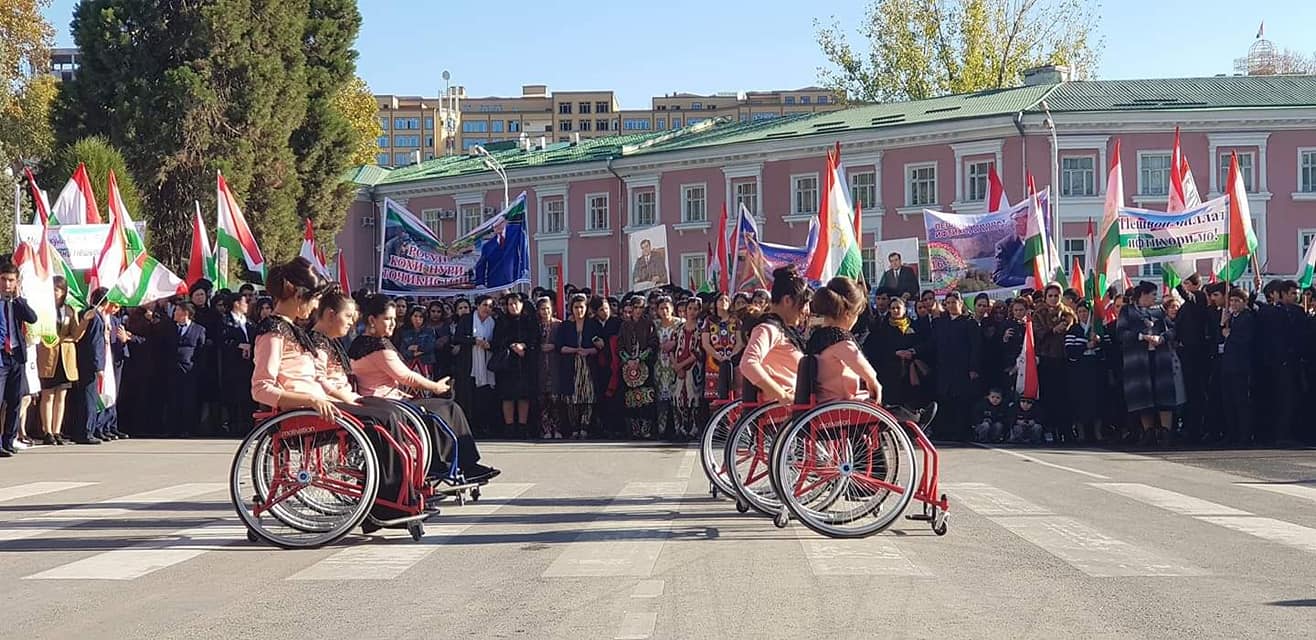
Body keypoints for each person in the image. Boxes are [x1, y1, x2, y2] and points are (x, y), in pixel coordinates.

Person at [343, 293, 499, 483]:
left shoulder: (362, 343)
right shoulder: (377, 347)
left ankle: (460, 464)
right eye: (387, 319)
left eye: (394, 319)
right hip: (387, 404)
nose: (393, 323)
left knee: (446, 409)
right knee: (448, 408)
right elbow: (406, 376)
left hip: (386, 399)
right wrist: (436, 387)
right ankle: (457, 465)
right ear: (371, 320)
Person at [1117, 281, 1183, 447]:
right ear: (1143, 295)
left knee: (1163, 394)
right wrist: (1141, 337)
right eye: (1153, 294)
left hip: (1159, 359)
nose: (1155, 297)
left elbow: (1173, 329)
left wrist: (1162, 338)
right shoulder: (1127, 311)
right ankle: (1149, 432)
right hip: (1138, 360)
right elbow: (1121, 332)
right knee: (1143, 396)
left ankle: (1166, 433)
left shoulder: (1160, 311)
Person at [740, 267, 811, 404]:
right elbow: (748, 363)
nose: (806, 311)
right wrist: (782, 395)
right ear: (787, 300)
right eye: (804, 304)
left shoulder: (782, 328)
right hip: (784, 409)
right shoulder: (768, 328)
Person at [808, 277, 882, 403]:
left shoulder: (816, 337)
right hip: (842, 403)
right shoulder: (841, 341)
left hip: (824, 401)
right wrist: (875, 386)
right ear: (848, 314)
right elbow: (868, 373)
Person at [0, 262, 38, 457]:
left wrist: (19, 299)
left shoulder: (16, 303)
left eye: (11, 281)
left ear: (16, 282)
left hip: (16, 357)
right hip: (0, 357)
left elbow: (32, 318)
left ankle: (9, 440)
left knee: (15, 401)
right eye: (4, 280)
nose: (7, 284)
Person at [36, 276, 80, 446]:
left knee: (61, 395)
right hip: (48, 354)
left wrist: (82, 320)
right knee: (48, 395)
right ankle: (47, 431)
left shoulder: (69, 310)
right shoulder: (44, 309)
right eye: (52, 289)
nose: (55, 293)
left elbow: (75, 334)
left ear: (63, 292)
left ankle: (57, 430)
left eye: (58, 289)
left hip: (65, 355)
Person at [492, 293, 539, 439]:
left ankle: (523, 427)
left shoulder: (529, 320)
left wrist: (524, 346)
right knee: (508, 396)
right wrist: (512, 345)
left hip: (525, 362)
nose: (513, 307)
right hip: (507, 364)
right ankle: (509, 427)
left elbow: (535, 338)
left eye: (516, 303)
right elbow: (497, 340)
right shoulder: (502, 321)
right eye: (510, 304)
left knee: (524, 396)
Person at [556, 293, 600, 439]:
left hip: (588, 365)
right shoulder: (566, 326)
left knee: (588, 396)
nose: (579, 310)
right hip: (571, 365)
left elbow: (599, 348)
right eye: (576, 307)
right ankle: (574, 428)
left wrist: (587, 351)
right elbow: (560, 347)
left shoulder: (593, 325)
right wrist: (575, 350)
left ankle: (585, 427)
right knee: (572, 398)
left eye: (582, 307)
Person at [453, 294, 498, 437]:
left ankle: (483, 426)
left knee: (483, 397)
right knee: (467, 396)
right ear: (477, 306)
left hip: (486, 364)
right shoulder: (467, 319)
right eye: (484, 305)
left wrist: (488, 345)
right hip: (469, 365)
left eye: (490, 306)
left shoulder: (493, 322)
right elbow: (457, 337)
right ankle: (467, 427)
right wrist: (474, 341)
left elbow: (498, 342)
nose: (487, 308)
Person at [71, 288, 110, 445]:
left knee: (90, 396)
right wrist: (98, 365)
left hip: (88, 361)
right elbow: (94, 343)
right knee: (89, 397)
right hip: (89, 363)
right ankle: (86, 431)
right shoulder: (93, 316)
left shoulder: (95, 315)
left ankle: (88, 429)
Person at [1217, 288, 1255, 446]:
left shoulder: (1248, 318)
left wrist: (1230, 335)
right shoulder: (1230, 318)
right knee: (1228, 401)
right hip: (1227, 364)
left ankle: (1244, 435)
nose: (1233, 304)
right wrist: (1222, 325)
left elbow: (1246, 340)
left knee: (1241, 401)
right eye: (1231, 301)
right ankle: (1231, 433)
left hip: (1240, 365)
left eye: (1237, 301)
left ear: (1245, 303)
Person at [167, 302, 207, 438]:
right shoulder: (170, 328)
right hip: (173, 370)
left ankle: (187, 428)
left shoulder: (199, 329)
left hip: (189, 371)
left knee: (188, 401)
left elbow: (201, 351)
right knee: (173, 400)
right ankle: (173, 428)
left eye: (177, 311)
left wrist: (196, 368)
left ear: (185, 313)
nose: (174, 314)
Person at [220, 291, 257, 436]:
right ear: (236, 304)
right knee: (234, 397)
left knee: (247, 398)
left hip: (248, 366)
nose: (247, 305)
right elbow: (223, 340)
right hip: (233, 366)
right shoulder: (225, 321)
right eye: (244, 302)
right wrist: (238, 346)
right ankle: (234, 426)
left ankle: (247, 426)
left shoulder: (248, 322)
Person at [672, 297, 705, 440]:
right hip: (678, 368)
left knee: (693, 398)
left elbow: (698, 352)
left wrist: (682, 365)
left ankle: (694, 429)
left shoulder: (700, 329)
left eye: (695, 309)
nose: (692, 312)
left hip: (693, 368)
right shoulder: (679, 328)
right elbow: (671, 349)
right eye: (689, 308)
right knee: (678, 398)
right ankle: (680, 428)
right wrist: (675, 365)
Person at [652, 296, 683, 440]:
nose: (664, 311)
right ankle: (661, 429)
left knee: (676, 397)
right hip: (659, 366)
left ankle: (679, 429)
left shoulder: (679, 324)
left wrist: (674, 343)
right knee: (661, 399)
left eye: (667, 308)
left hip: (675, 364)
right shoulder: (654, 325)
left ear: (672, 308)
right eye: (661, 308)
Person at [535, 297, 563, 439]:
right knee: (543, 400)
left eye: (547, 308)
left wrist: (554, 346)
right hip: (540, 366)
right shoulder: (536, 326)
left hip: (555, 365)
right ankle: (545, 428)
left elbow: (563, 343)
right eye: (542, 309)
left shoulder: (559, 325)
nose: (545, 311)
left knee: (555, 399)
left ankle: (557, 428)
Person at [993, 207, 1033, 287]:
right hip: (1018, 294)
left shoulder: (1041, 241)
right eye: (1017, 219)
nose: (1021, 222)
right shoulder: (1004, 245)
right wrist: (1025, 281)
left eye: (1025, 217)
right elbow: (999, 277)